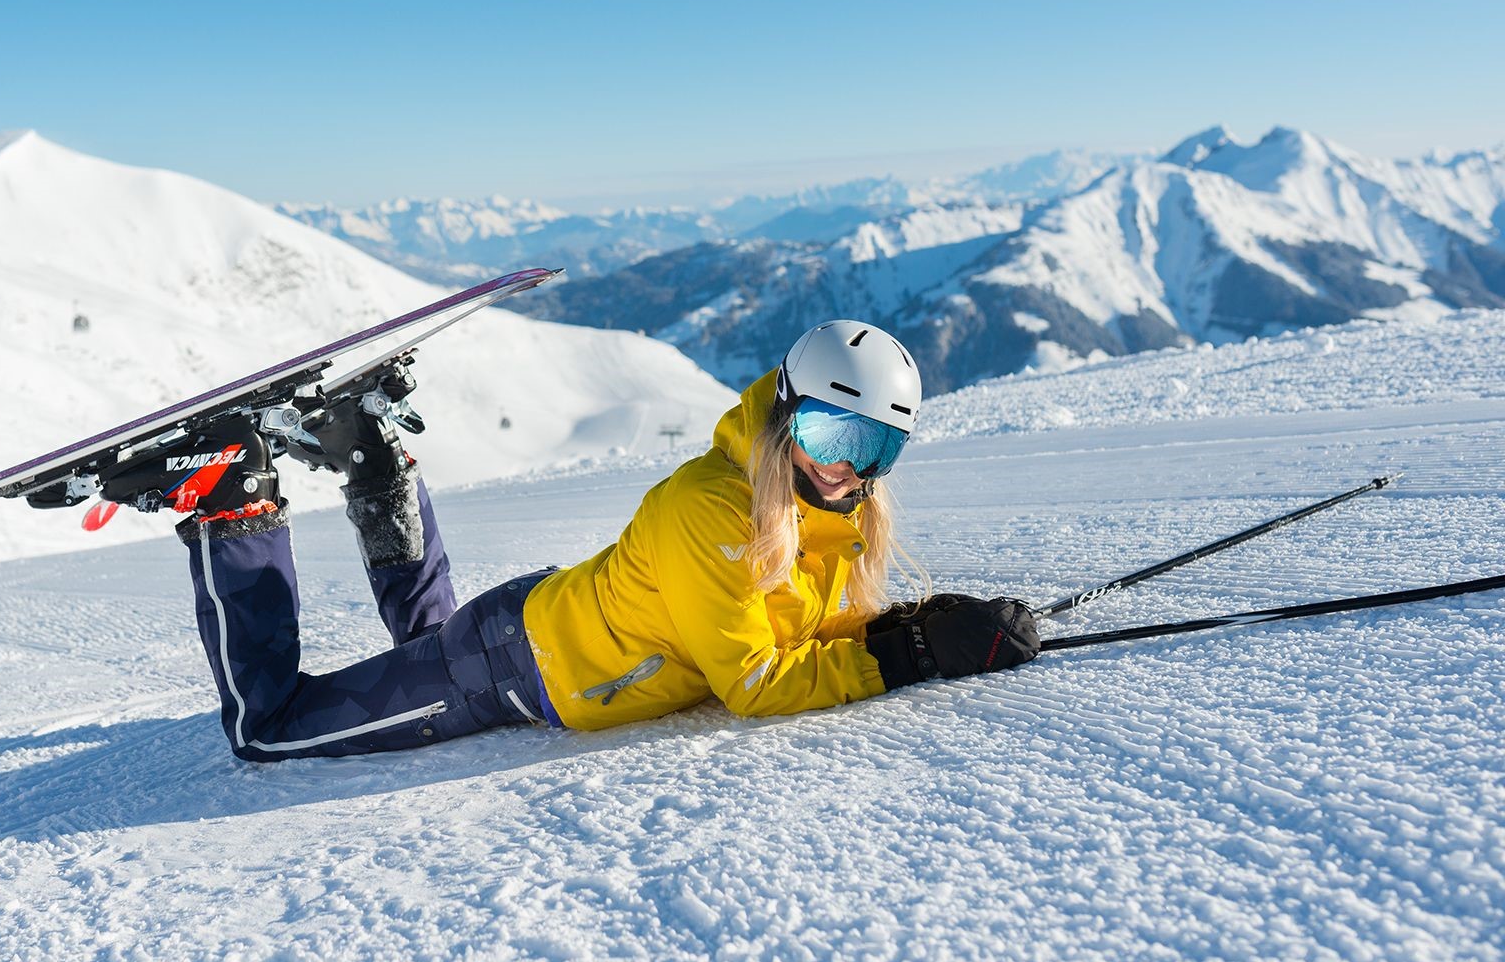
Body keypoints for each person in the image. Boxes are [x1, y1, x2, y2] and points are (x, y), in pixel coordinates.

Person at [97, 320, 1039, 761]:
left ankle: (375, 461)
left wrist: (925, 626)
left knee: (425, 642)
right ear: (788, 413)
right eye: (834, 438)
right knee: (270, 731)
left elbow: (792, 636)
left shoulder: (829, 514)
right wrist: (911, 654)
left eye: (875, 448)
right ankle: (232, 504)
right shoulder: (713, 509)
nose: (847, 470)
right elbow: (755, 683)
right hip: (517, 667)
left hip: (541, 630)